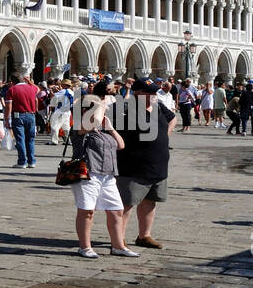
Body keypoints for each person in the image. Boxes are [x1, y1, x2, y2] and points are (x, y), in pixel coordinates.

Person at [71, 78, 137, 259]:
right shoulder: (81, 127)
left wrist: (111, 128)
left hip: (108, 174)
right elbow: (95, 118)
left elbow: (121, 145)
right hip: (88, 173)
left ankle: (118, 246)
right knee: (87, 211)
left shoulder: (102, 128)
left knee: (116, 210)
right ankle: (85, 247)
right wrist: (99, 103)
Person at [116, 78, 175, 250]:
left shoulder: (158, 107)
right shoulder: (125, 109)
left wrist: (164, 136)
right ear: (137, 93)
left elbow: (173, 119)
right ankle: (119, 239)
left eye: (154, 92)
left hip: (158, 164)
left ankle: (144, 235)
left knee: (150, 201)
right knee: (127, 203)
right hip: (133, 165)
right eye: (149, 93)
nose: (153, 95)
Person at [4, 72, 42, 168]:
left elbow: (9, 106)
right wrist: (29, 82)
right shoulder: (31, 88)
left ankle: (22, 162)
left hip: (18, 116)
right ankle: (31, 161)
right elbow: (38, 89)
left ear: (12, 81)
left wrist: (7, 119)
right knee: (30, 139)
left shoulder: (11, 89)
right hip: (31, 115)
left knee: (20, 139)